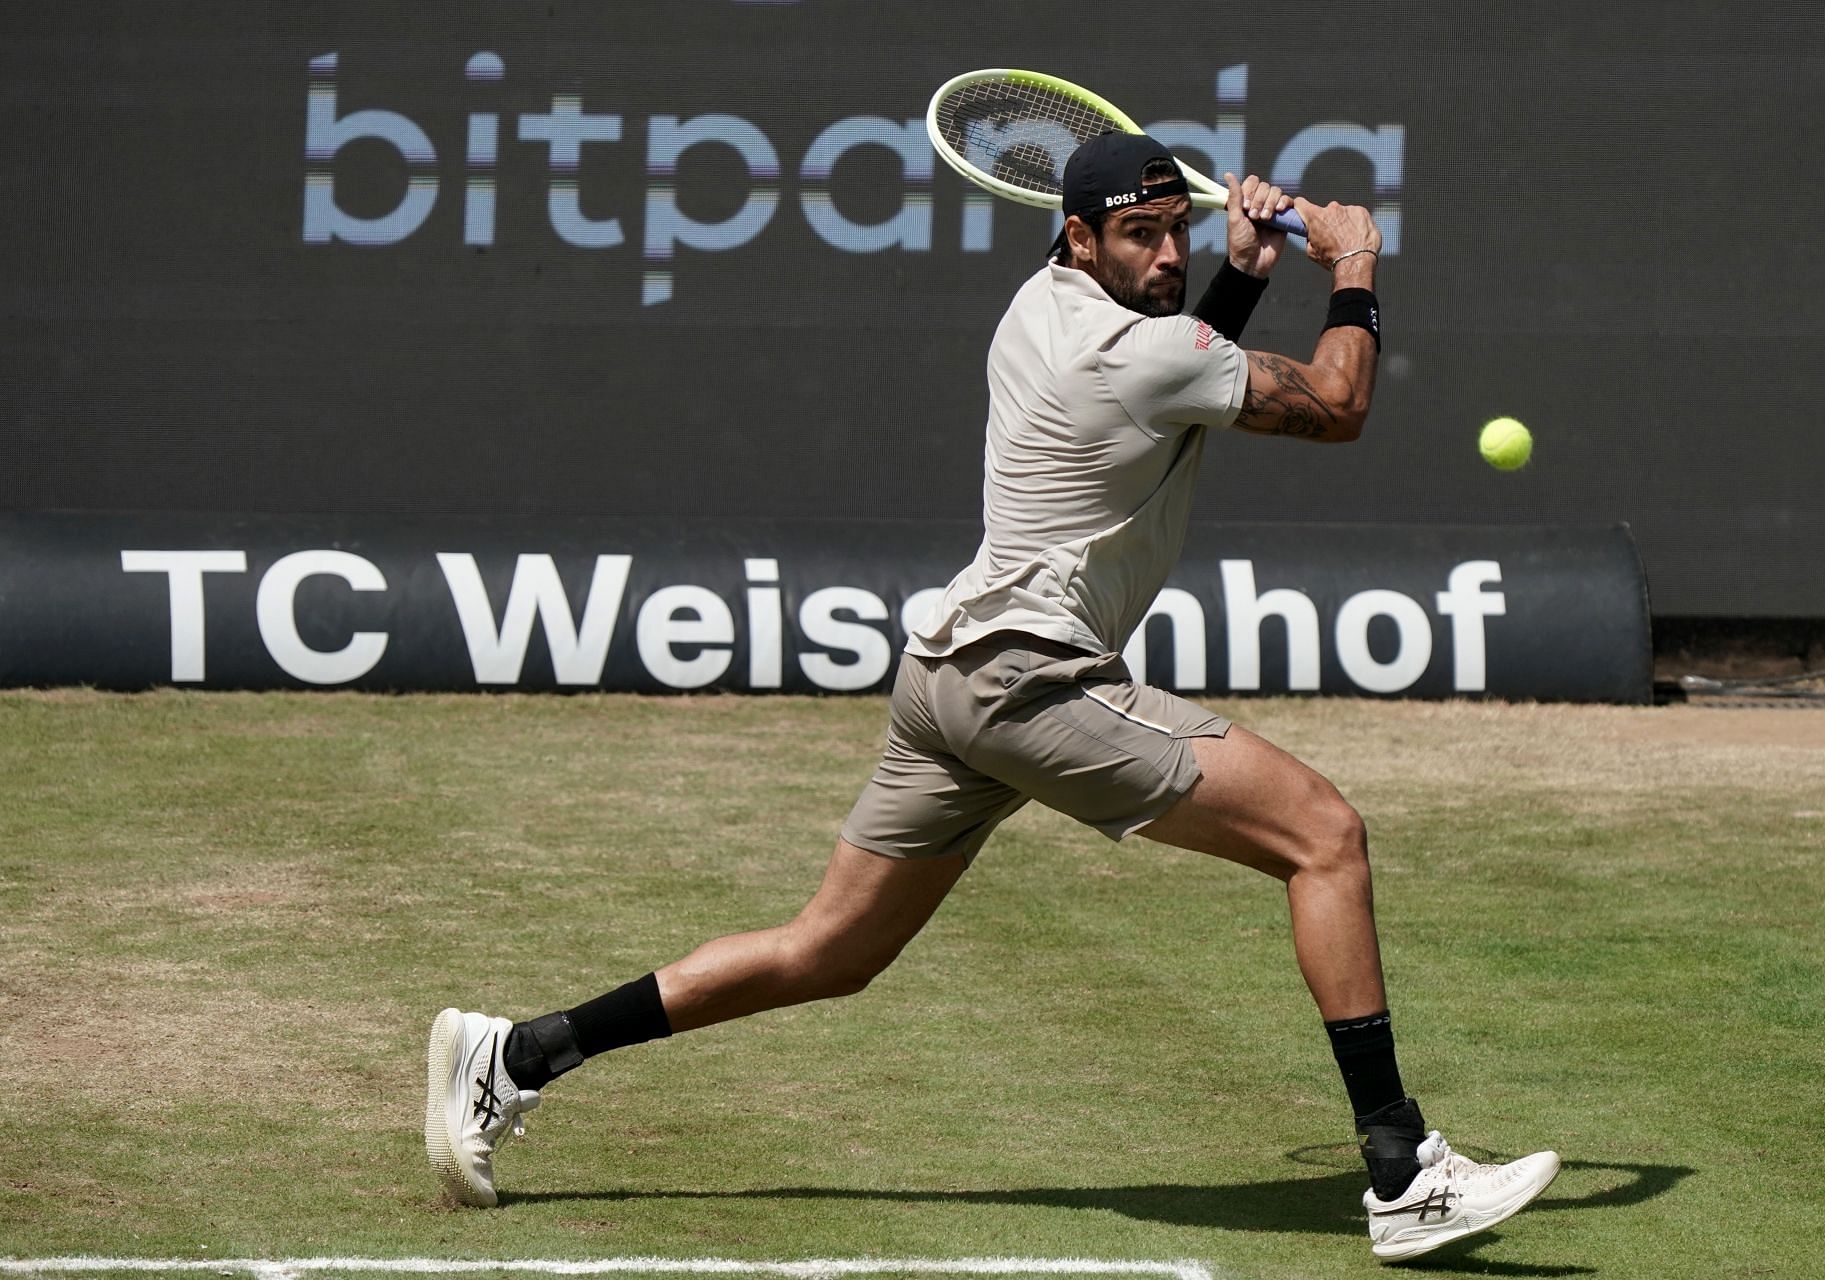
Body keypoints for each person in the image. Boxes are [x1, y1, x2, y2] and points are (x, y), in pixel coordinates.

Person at [426, 130, 1560, 1262]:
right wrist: (1353, 260)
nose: (1167, 253)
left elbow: (1181, 349)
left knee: (829, 951)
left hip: (948, 677)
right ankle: (1403, 1167)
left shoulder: (1039, 302)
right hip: (1032, 679)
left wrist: (1249, 270)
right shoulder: (1135, 354)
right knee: (1325, 835)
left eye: (1175, 233)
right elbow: (1339, 400)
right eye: (1140, 234)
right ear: (1080, 235)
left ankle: (517, 1053)